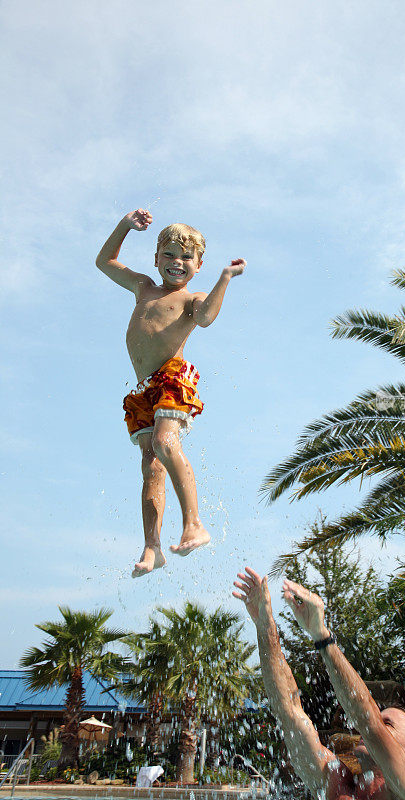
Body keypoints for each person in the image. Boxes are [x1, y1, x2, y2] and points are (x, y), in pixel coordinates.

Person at [96, 209, 245, 577]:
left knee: (165, 442)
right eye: (169, 255)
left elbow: (207, 317)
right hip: (144, 390)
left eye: (186, 257)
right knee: (151, 467)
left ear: (198, 265)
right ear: (156, 257)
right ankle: (153, 547)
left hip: (171, 377)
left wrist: (225, 278)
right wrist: (125, 226)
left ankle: (194, 524)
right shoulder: (143, 287)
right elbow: (105, 261)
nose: (177, 262)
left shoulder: (192, 298)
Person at [233, 567, 405, 800]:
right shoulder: (337, 782)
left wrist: (322, 636)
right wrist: (264, 625)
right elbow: (289, 711)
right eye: (382, 720)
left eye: (387, 724)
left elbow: (366, 717)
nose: (373, 729)